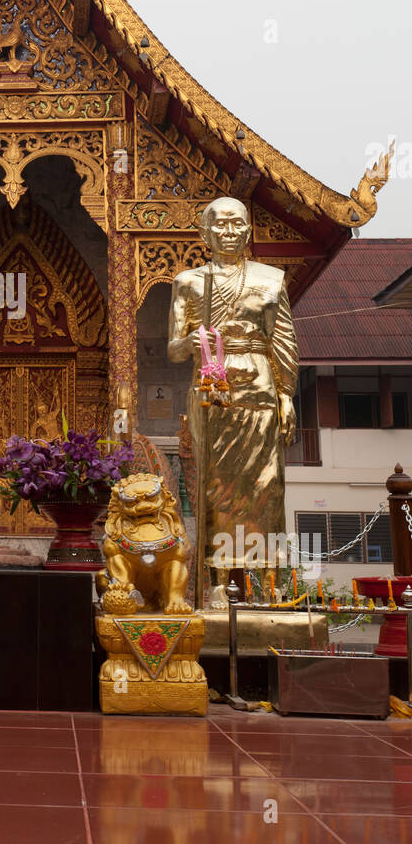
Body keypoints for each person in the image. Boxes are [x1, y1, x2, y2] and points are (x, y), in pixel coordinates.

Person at [167, 197, 298, 606]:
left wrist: (286, 395)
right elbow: (172, 348)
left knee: (264, 486)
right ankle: (217, 583)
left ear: (248, 230)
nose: (229, 232)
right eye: (220, 225)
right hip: (211, 391)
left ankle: (267, 584)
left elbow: (284, 342)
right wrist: (190, 342)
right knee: (216, 489)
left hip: (258, 386)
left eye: (237, 224)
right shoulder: (189, 282)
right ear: (205, 233)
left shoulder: (272, 279)